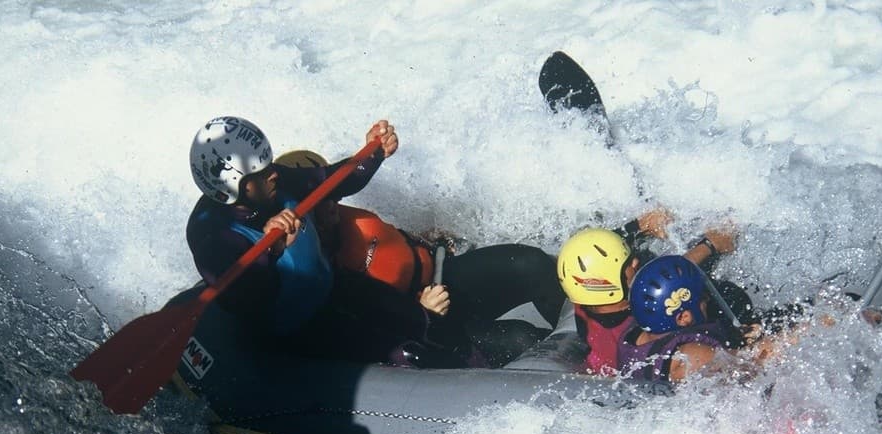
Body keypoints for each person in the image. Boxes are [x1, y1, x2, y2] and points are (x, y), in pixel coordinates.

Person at [186, 115, 443, 364]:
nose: (273, 174)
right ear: (231, 188)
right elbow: (243, 300)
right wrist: (271, 252)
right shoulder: (212, 233)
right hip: (295, 328)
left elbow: (334, 181)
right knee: (409, 355)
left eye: (270, 165)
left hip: (332, 285)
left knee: (421, 321)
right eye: (260, 173)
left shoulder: (276, 182)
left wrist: (372, 155)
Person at [274, 149, 567, 366]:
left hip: (443, 277)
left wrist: (424, 238)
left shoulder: (343, 218)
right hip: (427, 328)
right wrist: (421, 311)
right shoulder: (318, 273)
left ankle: (595, 338)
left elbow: (390, 242)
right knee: (523, 339)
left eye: (332, 196)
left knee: (532, 264)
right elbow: (364, 330)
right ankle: (566, 376)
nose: (331, 206)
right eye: (319, 204)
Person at [555, 220, 741, 375]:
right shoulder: (638, 322)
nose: (636, 262)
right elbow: (666, 281)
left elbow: (587, 250)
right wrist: (708, 245)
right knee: (731, 296)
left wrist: (639, 225)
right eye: (627, 263)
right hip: (645, 377)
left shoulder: (584, 301)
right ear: (608, 282)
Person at [620, 255, 744, 382]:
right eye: (702, 298)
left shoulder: (632, 335)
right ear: (684, 317)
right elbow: (756, 367)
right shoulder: (692, 356)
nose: (707, 298)